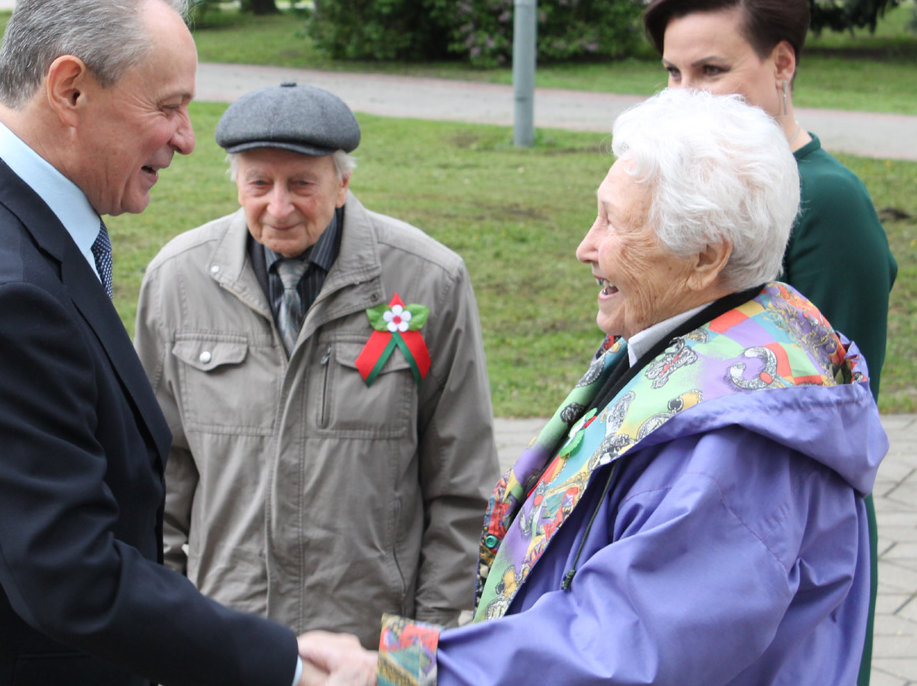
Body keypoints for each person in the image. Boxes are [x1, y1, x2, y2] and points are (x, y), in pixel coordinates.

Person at [0, 0, 374, 686]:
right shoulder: (2, 296)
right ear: (70, 90)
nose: (185, 138)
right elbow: (73, 578)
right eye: (168, 106)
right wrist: (289, 668)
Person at [371, 89, 888, 686]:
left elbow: (621, 649)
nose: (584, 247)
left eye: (612, 222)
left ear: (704, 257)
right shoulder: (707, 340)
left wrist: (405, 670)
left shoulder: (741, 445)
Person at [134, 82, 499, 648]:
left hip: (368, 652)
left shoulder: (429, 280)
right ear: (235, 182)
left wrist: (414, 664)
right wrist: (170, 639)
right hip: (225, 644)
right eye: (259, 183)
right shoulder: (177, 281)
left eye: (302, 183)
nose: (278, 207)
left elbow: (462, 487)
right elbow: (157, 483)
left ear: (343, 183)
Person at [642, 0, 898, 685]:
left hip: (780, 548)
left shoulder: (826, 205)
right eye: (672, 73)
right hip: (688, 519)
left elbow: (832, 423)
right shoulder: (698, 190)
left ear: (781, 63)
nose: (684, 96)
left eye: (711, 71)